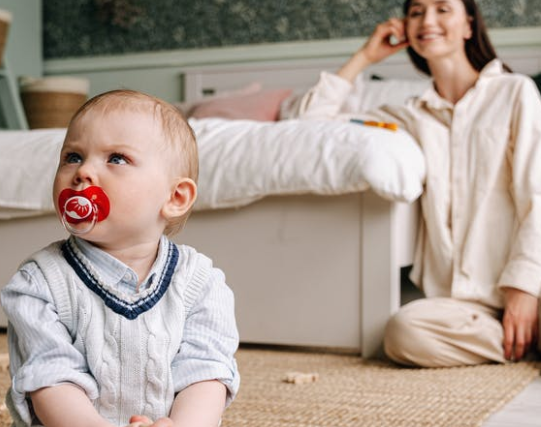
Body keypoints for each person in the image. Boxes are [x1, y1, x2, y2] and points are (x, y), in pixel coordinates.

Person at [291, 0, 541, 367]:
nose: (428, 21)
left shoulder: (514, 92)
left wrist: (524, 288)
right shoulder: (406, 117)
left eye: (443, 9)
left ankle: (525, 329)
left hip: (528, 281)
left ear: (469, 25)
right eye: (417, 12)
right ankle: (520, 342)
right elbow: (311, 128)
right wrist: (364, 57)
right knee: (403, 332)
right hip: (458, 309)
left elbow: (536, 193)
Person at [1, 89, 240, 427]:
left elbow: (206, 372)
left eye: (116, 158)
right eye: (72, 156)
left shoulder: (200, 282)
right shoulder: (39, 283)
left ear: (174, 197)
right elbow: (51, 380)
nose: (83, 172)